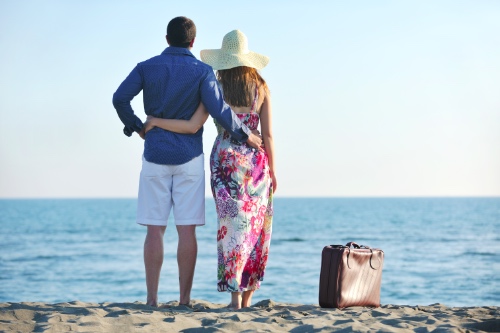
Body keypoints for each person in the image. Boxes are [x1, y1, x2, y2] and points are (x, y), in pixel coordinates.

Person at [112, 18, 263, 307]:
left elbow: (119, 98)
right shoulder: (202, 71)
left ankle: (152, 300)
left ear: (167, 38)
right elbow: (220, 110)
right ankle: (184, 299)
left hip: (154, 156)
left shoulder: (146, 67)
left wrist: (136, 125)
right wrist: (246, 135)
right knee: (187, 230)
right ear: (193, 42)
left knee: (154, 229)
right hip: (189, 158)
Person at [144, 29, 276, 310]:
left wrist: (156, 121)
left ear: (224, 59)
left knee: (230, 229)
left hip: (225, 163)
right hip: (256, 165)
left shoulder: (215, 86)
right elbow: (269, 135)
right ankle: (248, 297)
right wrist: (274, 171)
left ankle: (234, 300)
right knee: (255, 230)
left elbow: (192, 126)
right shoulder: (262, 87)